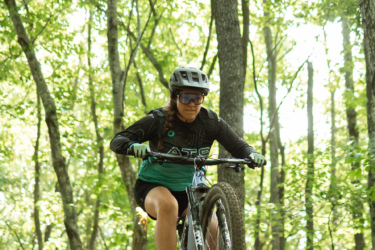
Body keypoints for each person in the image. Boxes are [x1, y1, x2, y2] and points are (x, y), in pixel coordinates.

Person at [110, 66, 265, 249]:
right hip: (153, 186)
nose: (192, 103)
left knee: (212, 226)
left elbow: (238, 146)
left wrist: (252, 154)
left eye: (197, 98)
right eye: (186, 97)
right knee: (168, 205)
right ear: (175, 97)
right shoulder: (158, 119)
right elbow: (118, 140)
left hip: (190, 190)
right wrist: (133, 146)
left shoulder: (211, 122)